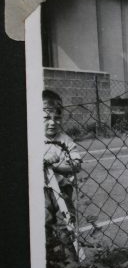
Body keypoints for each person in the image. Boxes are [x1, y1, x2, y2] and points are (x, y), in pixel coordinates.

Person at [43, 90, 82, 242]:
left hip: (62, 191)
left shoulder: (66, 140)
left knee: (65, 225)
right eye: (46, 117)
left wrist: (56, 166)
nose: (52, 122)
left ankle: (71, 259)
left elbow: (76, 164)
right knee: (44, 224)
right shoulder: (31, 138)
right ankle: (49, 259)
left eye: (57, 118)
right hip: (39, 192)